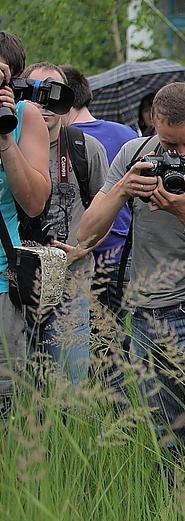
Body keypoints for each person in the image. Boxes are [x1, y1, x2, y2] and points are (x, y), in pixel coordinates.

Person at [77, 82, 185, 456]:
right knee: (168, 438)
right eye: (170, 145)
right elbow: (87, 234)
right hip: (144, 314)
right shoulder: (133, 154)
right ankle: (179, 508)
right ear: (153, 124)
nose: (181, 154)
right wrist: (122, 189)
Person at [22, 62, 108, 391]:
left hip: (72, 286)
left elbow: (107, 209)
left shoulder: (86, 149)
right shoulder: (9, 145)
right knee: (18, 391)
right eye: (34, 93)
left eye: (53, 93)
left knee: (69, 391)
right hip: (17, 284)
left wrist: (85, 246)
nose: (43, 103)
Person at [61, 64, 138, 398]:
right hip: (124, 254)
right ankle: (119, 411)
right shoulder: (125, 134)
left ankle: (99, 413)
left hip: (81, 257)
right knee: (115, 343)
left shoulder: (67, 142)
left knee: (82, 346)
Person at [0, 31, 51, 417]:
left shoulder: (24, 116)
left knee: (8, 405)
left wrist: (5, 137)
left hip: (3, 280)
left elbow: (34, 202)